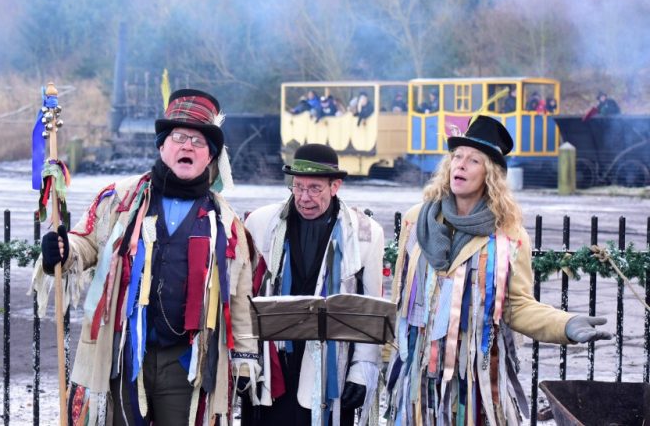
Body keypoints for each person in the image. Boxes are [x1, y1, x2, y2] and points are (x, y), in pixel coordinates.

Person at [34, 89, 260, 426]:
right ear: (161, 146)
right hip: (123, 355)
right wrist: (64, 250)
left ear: (210, 156)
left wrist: (244, 357)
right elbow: (85, 243)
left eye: (198, 142)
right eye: (179, 137)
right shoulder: (121, 200)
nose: (187, 146)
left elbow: (238, 297)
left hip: (187, 365)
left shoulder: (225, 222)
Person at [384, 115, 611, 425]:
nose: (460, 165)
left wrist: (565, 324)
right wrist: (386, 357)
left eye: (473, 160)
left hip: (476, 380)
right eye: (457, 157)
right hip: (419, 379)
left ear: (489, 175)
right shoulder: (415, 220)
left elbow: (517, 306)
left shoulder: (509, 235)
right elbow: (401, 298)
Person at [243, 144, 384, 426]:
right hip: (273, 366)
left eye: (315, 188)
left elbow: (371, 308)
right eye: (298, 187)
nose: (304, 197)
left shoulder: (366, 233)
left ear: (335, 186)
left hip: (331, 369)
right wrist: (244, 359)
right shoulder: (261, 223)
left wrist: (361, 370)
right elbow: (243, 297)